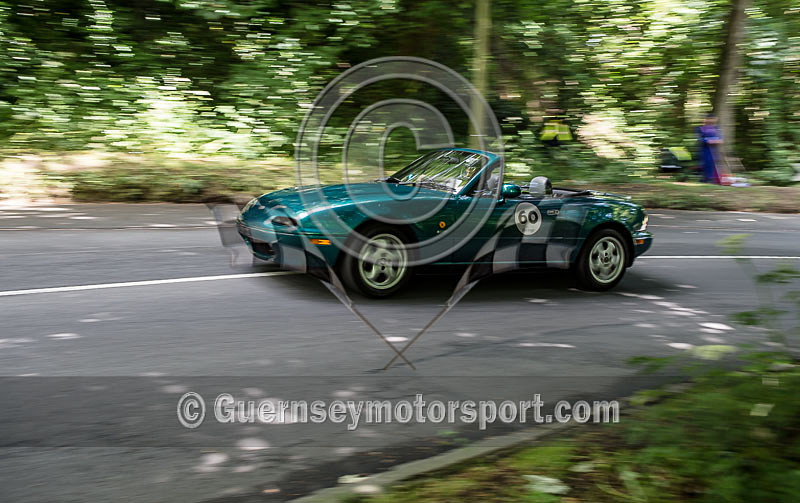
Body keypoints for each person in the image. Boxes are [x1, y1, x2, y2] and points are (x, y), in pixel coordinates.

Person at [696, 114, 723, 184]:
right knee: (706, 163)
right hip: (705, 149)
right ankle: (706, 178)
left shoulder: (717, 128)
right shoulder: (701, 128)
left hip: (715, 150)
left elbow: (721, 139)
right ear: (706, 119)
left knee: (714, 163)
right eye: (709, 119)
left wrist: (716, 141)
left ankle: (713, 179)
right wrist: (707, 141)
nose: (711, 120)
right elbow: (699, 139)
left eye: (713, 119)